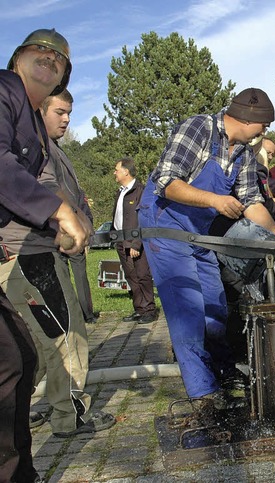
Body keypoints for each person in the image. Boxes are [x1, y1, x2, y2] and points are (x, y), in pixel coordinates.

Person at [137, 88, 275, 412]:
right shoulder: (198, 129)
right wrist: (214, 200)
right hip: (165, 228)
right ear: (249, 120)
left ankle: (222, 373)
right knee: (187, 311)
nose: (264, 132)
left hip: (200, 234)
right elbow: (166, 181)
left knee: (215, 306)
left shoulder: (245, 155)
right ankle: (203, 393)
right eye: (263, 125)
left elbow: (252, 203)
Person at [0, 28, 91, 482]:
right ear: (17, 58)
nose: (49, 57)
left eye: (58, 57)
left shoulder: (34, 127)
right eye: (39, 50)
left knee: (19, 358)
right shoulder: (2, 91)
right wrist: (56, 211)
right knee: (51, 345)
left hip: (25, 248)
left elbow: (40, 183)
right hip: (24, 253)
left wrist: (70, 220)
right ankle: (65, 418)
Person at [40, 89, 97, 324]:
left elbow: (76, 195)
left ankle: (84, 315)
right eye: (60, 112)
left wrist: (86, 221)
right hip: (50, 244)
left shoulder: (55, 147)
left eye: (69, 114)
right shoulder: (38, 147)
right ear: (40, 111)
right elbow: (46, 189)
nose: (67, 119)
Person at [112, 157, 157, 323]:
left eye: (117, 169)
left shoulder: (140, 191)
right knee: (131, 275)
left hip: (135, 241)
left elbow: (142, 218)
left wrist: (136, 243)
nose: (114, 173)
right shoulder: (121, 191)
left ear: (126, 171)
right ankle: (139, 308)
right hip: (120, 240)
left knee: (142, 275)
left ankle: (149, 310)